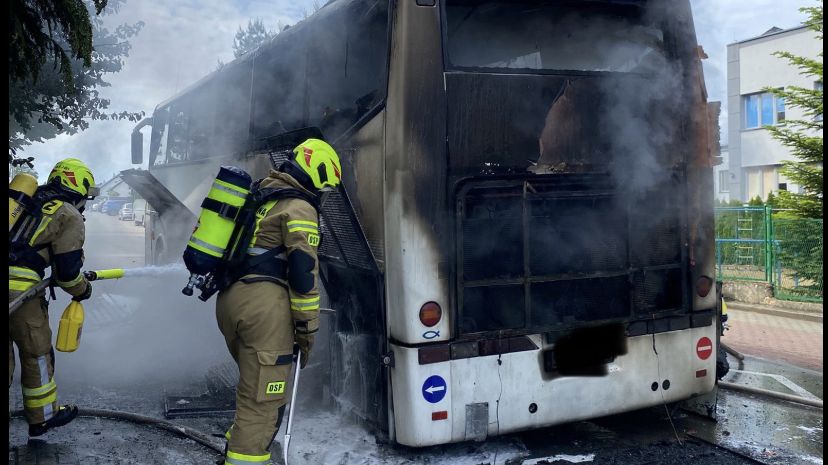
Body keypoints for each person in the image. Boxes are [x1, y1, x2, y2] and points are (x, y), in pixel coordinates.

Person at [217, 138, 341, 465]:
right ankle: (243, 457)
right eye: (325, 188)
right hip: (263, 310)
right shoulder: (300, 207)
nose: (324, 196)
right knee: (263, 403)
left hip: (232, 300)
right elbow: (303, 276)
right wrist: (307, 332)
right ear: (317, 177)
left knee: (254, 392)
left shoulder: (264, 195)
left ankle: (235, 447)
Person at [9, 158, 97, 436]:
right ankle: (43, 417)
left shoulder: (22, 203)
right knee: (36, 352)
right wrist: (83, 290)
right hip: (21, 293)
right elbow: (68, 273)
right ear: (78, 183)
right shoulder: (67, 213)